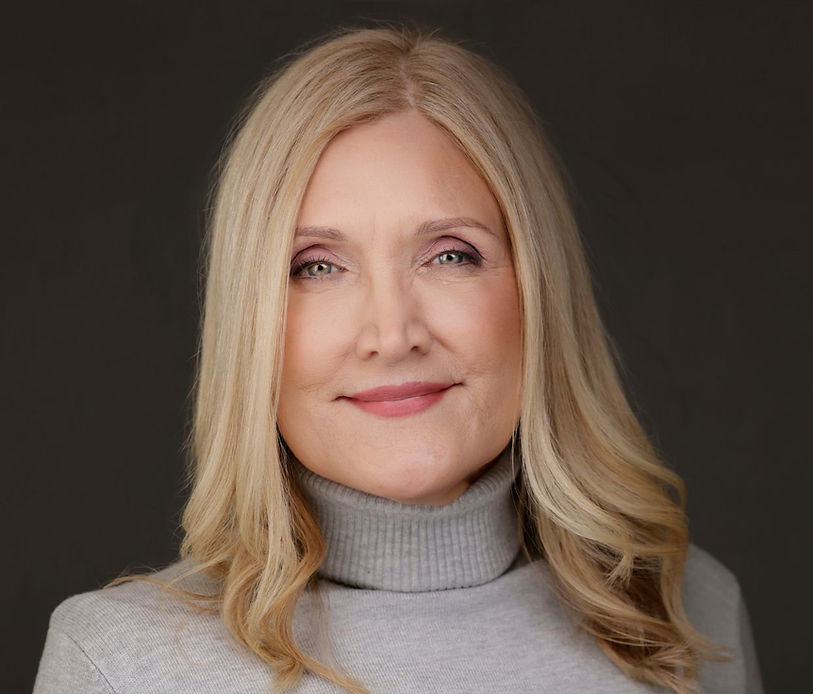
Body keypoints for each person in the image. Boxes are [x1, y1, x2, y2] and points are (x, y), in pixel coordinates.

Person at [33, 23, 763, 694]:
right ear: (251, 322)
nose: (392, 332)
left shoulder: (687, 611)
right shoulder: (121, 664)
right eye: (316, 266)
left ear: (539, 292)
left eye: (449, 254)